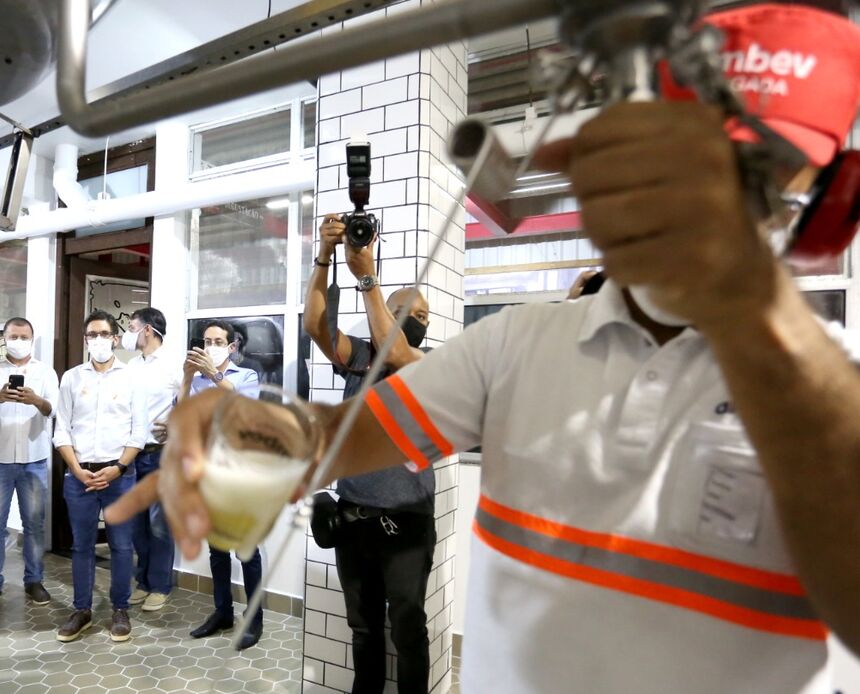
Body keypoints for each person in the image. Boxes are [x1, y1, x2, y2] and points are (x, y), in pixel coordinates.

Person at [108, 5, 860, 692]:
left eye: (757, 175)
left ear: (832, 203)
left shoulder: (831, 387)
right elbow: (336, 437)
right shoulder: (517, 344)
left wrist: (754, 312)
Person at [303, 219, 435, 693]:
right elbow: (316, 326)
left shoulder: (428, 366)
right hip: (354, 523)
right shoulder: (361, 358)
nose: (417, 319)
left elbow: (397, 352)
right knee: (363, 630)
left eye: (422, 316)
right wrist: (324, 256)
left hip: (406, 525)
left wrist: (367, 277)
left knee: (408, 629)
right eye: (407, 311)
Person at [52, 310, 138, 643]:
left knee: (120, 546)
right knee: (82, 547)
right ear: (85, 339)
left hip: (119, 475)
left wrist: (117, 468)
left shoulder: (131, 377)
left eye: (104, 334)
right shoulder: (72, 378)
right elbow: (62, 430)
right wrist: (76, 469)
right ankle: (82, 610)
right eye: (92, 335)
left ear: (115, 338)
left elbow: (138, 431)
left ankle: (120, 609)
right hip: (79, 476)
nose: (98, 340)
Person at [181, 320, 265, 650]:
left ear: (231, 347)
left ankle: (254, 619)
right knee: (217, 550)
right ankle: (222, 612)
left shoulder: (246, 377)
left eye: (218, 341)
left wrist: (215, 376)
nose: (210, 346)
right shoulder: (197, 379)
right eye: (206, 341)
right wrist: (188, 376)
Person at [0, 317, 58, 611]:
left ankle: (34, 580)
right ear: (4, 338)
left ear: (32, 340)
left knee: (34, 525)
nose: (18, 341)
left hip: (34, 459)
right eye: (13, 336)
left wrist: (36, 400)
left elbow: (52, 410)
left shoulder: (45, 372)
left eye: (24, 336)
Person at [122, 308, 181, 613]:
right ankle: (142, 581)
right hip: (131, 455)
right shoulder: (130, 366)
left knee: (160, 524)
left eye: (131, 327)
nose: (127, 333)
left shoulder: (173, 365)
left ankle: (159, 585)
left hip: (161, 456)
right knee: (137, 525)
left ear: (146, 330)